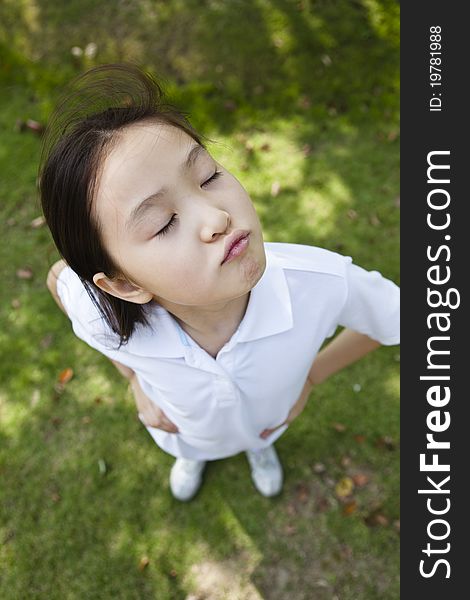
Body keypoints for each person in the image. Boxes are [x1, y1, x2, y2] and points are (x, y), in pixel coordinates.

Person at [41, 64, 400, 502]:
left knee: (261, 434)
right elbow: (59, 279)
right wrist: (134, 379)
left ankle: (259, 450)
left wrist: (312, 377)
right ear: (124, 285)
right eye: (163, 222)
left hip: (269, 420)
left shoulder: (321, 283)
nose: (216, 217)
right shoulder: (110, 314)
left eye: (208, 176)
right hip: (182, 430)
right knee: (193, 441)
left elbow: (392, 318)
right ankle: (193, 455)